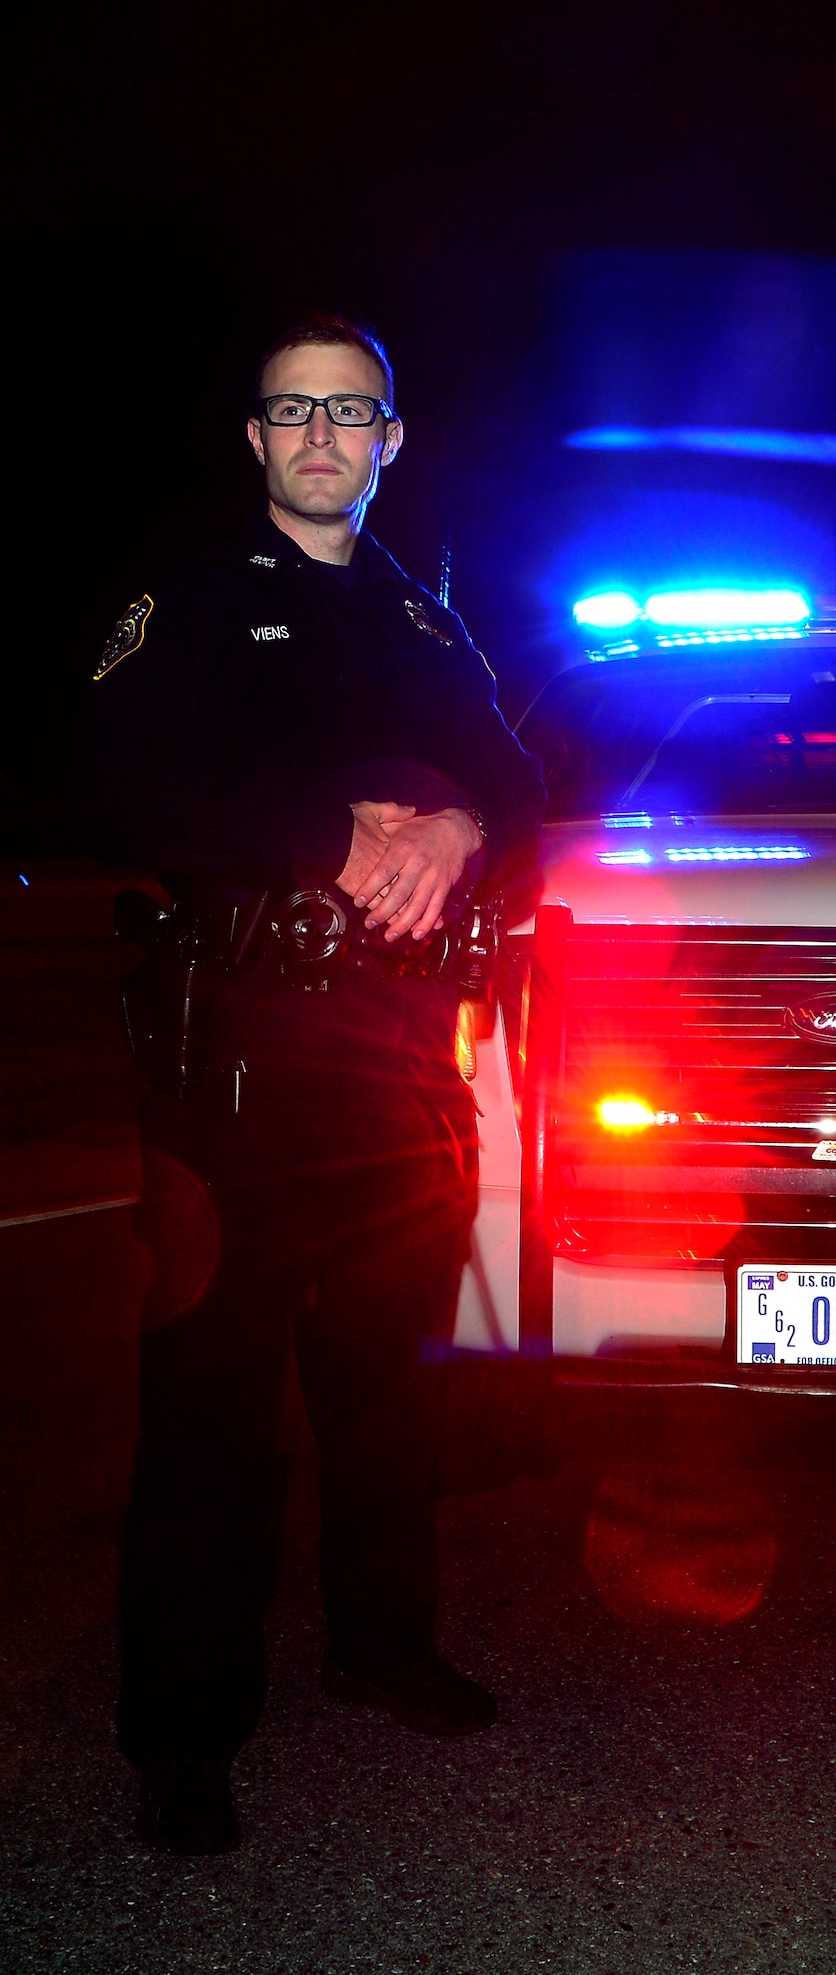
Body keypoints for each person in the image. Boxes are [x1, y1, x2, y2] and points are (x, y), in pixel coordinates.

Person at [71, 313, 546, 1855]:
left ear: (392, 439)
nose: (324, 437)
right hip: (244, 1063)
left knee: (389, 1392)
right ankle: (182, 1729)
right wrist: (333, 836)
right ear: (256, 440)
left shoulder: (425, 620)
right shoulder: (196, 603)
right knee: (212, 1411)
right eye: (294, 413)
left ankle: (381, 1644)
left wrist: (459, 827)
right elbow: (107, 778)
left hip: (403, 1061)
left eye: (352, 413)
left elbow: (524, 784)